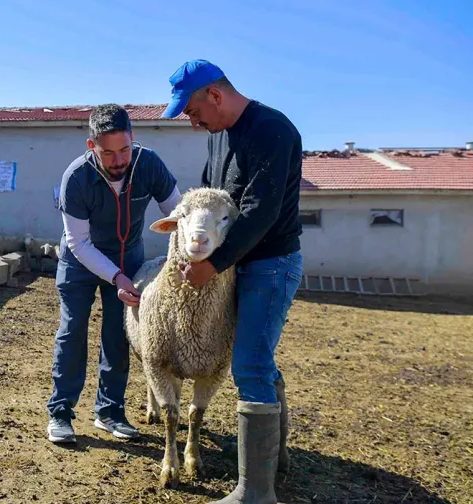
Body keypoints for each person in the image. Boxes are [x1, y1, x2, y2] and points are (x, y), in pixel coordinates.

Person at [161, 60, 304, 503]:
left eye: (191, 110)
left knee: (249, 366)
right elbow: (210, 194)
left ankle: (255, 492)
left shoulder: (273, 131)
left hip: (269, 264)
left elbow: (261, 209)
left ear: (215, 95)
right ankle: (276, 458)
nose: (192, 120)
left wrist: (213, 264)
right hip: (235, 265)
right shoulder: (219, 137)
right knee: (257, 356)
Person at [46, 104, 182, 444]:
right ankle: (60, 412)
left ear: (133, 139)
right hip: (81, 260)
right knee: (73, 329)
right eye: (108, 153)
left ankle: (109, 411)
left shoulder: (149, 164)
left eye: (125, 149)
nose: (119, 160)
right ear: (92, 147)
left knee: (118, 334)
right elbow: (79, 242)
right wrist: (116, 277)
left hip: (129, 256)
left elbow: (179, 214)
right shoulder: (75, 178)